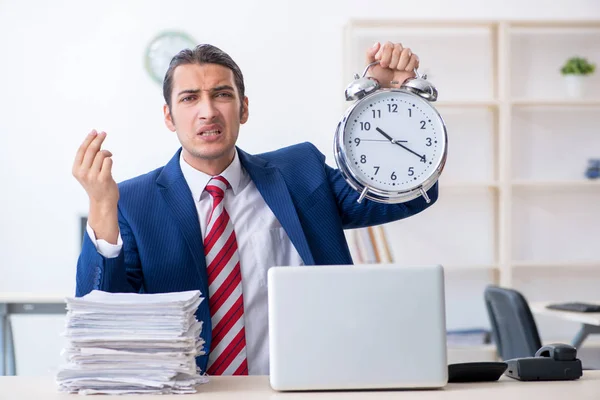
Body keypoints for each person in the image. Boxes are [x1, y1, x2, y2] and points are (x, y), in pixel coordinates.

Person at [72, 41, 439, 376]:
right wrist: (102, 208)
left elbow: (403, 195)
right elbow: (103, 318)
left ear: (243, 108)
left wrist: (397, 102)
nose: (208, 111)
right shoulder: (134, 203)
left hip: (308, 386)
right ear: (168, 116)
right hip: (189, 392)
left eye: (221, 94)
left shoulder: (301, 172)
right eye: (189, 99)